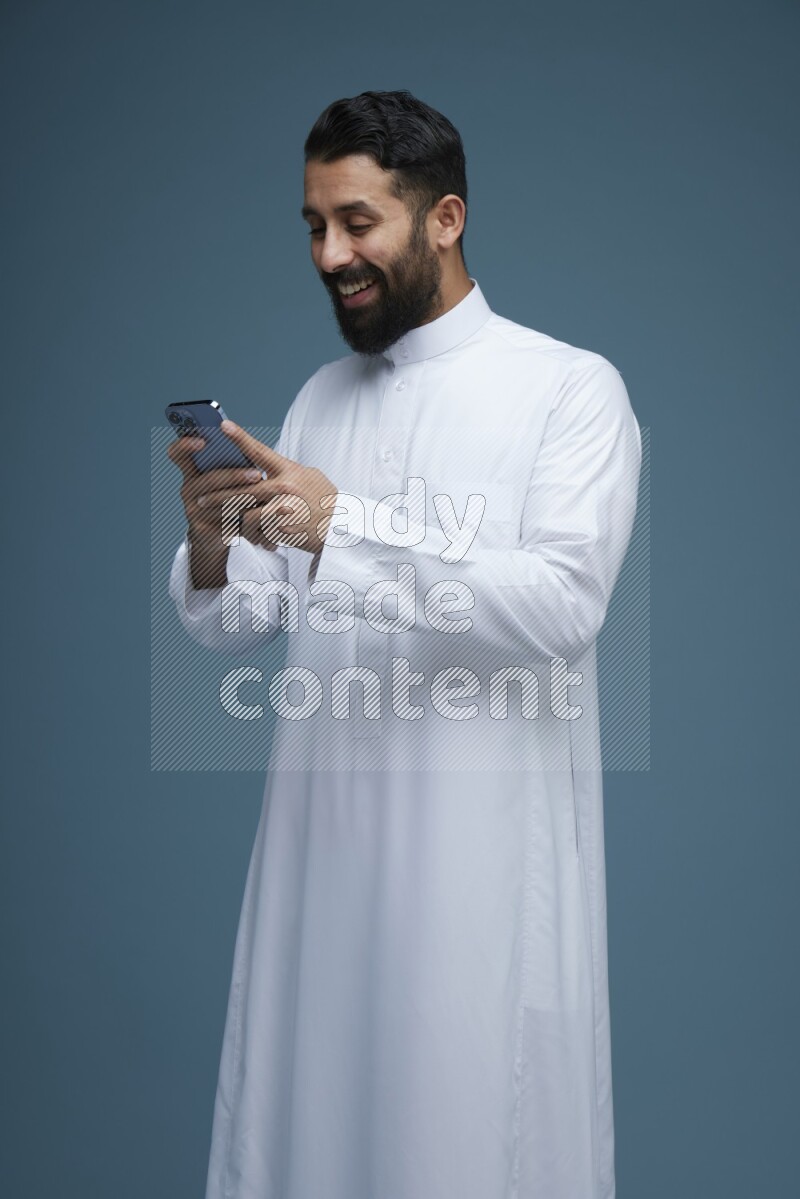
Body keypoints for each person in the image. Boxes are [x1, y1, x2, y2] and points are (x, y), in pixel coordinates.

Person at [167, 89, 642, 1199]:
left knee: (464, 1134)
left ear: (444, 217)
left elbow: (561, 607)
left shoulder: (565, 389)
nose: (331, 252)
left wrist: (345, 522)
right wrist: (209, 544)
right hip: (318, 854)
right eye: (314, 227)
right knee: (310, 1132)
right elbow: (246, 618)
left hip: (473, 870)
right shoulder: (323, 395)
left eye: (357, 221)